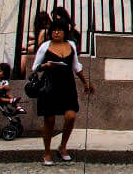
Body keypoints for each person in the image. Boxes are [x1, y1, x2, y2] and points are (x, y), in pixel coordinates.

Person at [33, 18, 94, 166]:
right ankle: (47, 152)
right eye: (54, 29)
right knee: (49, 120)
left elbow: (76, 67)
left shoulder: (71, 45)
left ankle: (63, 146)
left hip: (67, 86)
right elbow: (35, 67)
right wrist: (45, 66)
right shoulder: (45, 46)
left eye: (59, 30)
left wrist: (86, 82)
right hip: (50, 86)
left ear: (65, 32)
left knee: (71, 116)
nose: (56, 32)